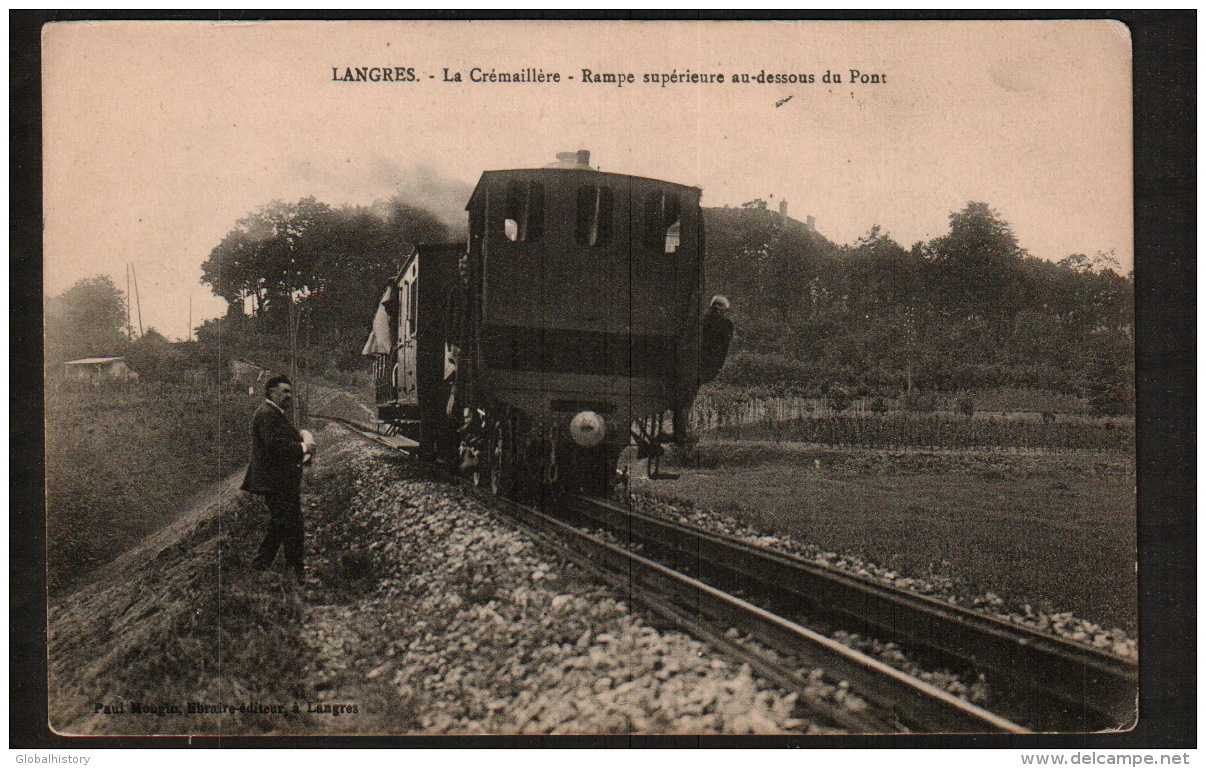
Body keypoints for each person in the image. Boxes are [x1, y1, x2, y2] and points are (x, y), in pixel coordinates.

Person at [241, 374, 315, 580]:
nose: (289, 396)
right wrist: (303, 446)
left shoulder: (274, 413)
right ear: (271, 392)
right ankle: (291, 571)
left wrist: (300, 435)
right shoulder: (267, 414)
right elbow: (274, 445)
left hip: (279, 481)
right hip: (275, 482)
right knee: (289, 523)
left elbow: (281, 438)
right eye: (284, 392)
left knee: (283, 523)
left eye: (290, 392)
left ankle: (266, 567)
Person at [673, 295, 735, 444]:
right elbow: (721, 351)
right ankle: (681, 436)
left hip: (686, 365)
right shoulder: (726, 324)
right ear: (723, 310)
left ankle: (680, 433)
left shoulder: (700, 321)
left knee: (682, 400)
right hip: (704, 368)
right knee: (686, 400)